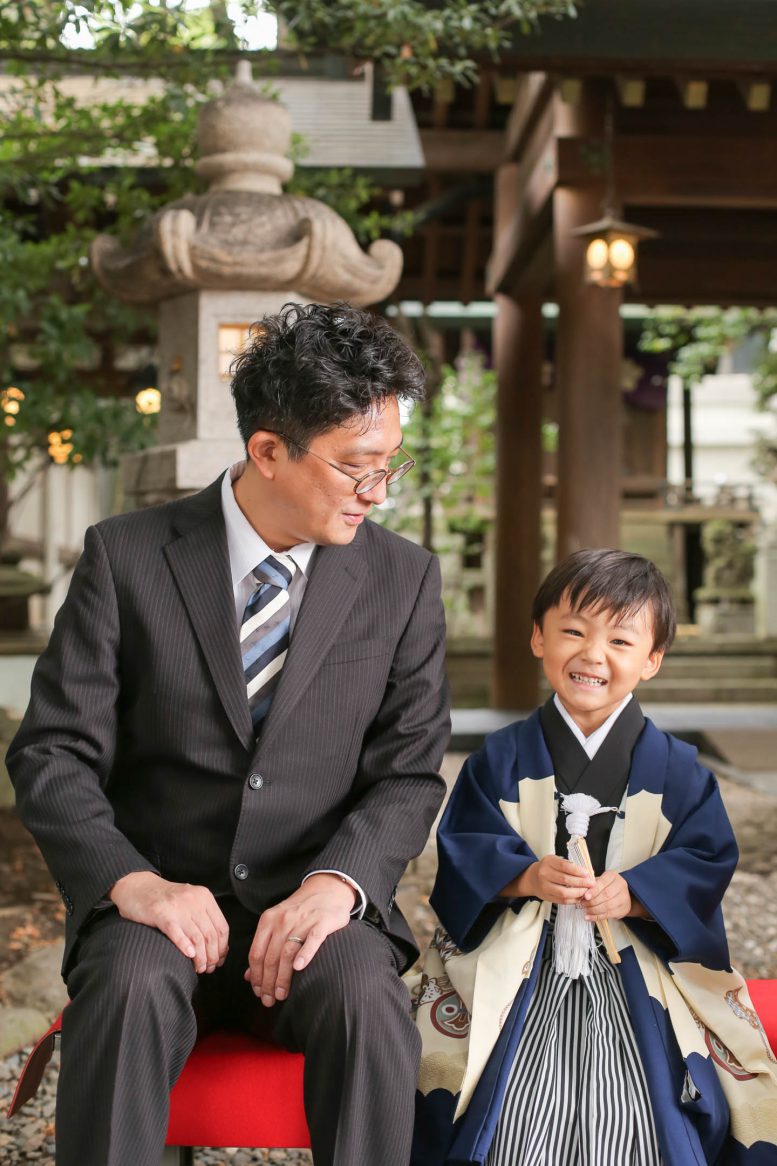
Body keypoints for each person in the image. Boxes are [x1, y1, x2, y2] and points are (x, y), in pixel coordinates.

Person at [7, 301, 451, 1166]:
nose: (379, 490)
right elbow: (53, 752)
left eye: (391, 465)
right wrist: (129, 883)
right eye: (358, 467)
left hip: (315, 905)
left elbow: (407, 772)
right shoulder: (126, 557)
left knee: (367, 995)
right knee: (129, 988)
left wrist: (340, 883)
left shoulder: (402, 577)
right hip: (157, 906)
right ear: (268, 452)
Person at [411, 548, 777, 1166]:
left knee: (649, 1104)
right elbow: (464, 848)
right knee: (501, 1104)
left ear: (652, 661)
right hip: (517, 957)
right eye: (573, 632)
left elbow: (706, 859)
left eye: (620, 640)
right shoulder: (498, 759)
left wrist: (635, 893)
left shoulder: (682, 772)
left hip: (636, 960)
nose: (592, 655)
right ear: (537, 637)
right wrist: (525, 876)